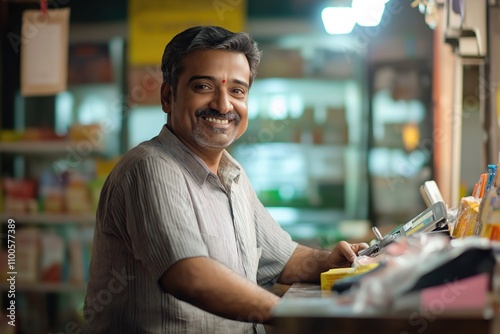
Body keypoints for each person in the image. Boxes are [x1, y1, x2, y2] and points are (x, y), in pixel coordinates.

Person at [84, 25, 368, 334]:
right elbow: (190, 275)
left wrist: (331, 261)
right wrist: (289, 315)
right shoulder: (150, 168)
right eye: (204, 87)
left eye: (237, 91)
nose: (223, 105)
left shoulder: (233, 176)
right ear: (168, 96)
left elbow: (283, 259)